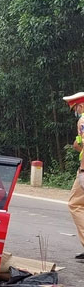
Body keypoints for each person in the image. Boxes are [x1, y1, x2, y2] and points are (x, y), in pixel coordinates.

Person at [64, 92, 84, 260]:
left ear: (81, 106)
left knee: (75, 204)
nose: (76, 112)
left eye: (75, 108)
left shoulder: (83, 120)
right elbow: (79, 144)